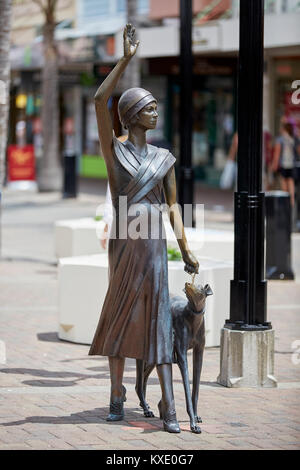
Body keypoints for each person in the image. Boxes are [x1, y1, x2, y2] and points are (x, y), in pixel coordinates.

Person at [88, 24, 199, 433]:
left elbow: (172, 207)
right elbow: (101, 100)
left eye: (155, 107)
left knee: (157, 321)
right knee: (120, 316)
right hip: (125, 243)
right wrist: (125, 60)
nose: (156, 112)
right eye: (149, 107)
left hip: (153, 245)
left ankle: (168, 403)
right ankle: (117, 396)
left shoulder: (164, 159)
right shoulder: (114, 151)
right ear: (133, 115)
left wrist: (184, 248)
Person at [272, 122, 297, 207]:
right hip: (292, 164)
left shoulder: (280, 139)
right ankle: (292, 202)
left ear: (284, 129)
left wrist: (274, 165)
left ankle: (286, 203)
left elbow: (277, 154)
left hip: (283, 164)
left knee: (284, 184)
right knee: (291, 182)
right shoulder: (293, 139)